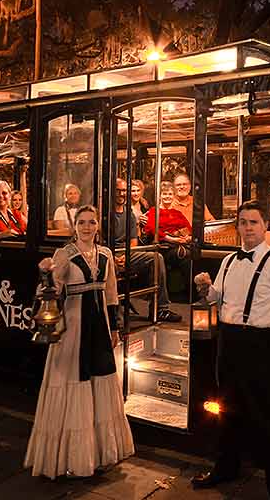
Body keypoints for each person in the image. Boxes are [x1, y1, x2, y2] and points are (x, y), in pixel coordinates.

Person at [191, 201, 270, 500]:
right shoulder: (229, 260)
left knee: (268, 416)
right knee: (226, 410)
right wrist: (207, 289)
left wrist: (266, 326)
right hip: (229, 342)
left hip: (261, 345)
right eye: (243, 222)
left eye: (253, 222)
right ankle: (226, 467)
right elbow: (218, 296)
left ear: (266, 225)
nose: (248, 228)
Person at [26, 206, 135, 478]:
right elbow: (51, 290)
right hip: (73, 330)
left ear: (99, 225)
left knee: (101, 381)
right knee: (74, 380)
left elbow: (111, 294)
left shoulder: (107, 255)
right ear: (74, 226)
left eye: (92, 222)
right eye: (82, 222)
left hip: (100, 328)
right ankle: (71, 458)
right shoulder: (64, 254)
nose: (87, 227)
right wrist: (45, 274)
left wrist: (116, 327)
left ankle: (99, 452)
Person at [109, 178, 172, 322]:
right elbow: (101, 241)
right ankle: (115, 316)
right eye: (118, 190)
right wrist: (112, 257)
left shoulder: (129, 213)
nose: (121, 194)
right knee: (109, 265)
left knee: (156, 258)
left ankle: (160, 309)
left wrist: (126, 255)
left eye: (124, 190)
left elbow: (133, 241)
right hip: (108, 253)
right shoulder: (106, 213)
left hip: (127, 253)